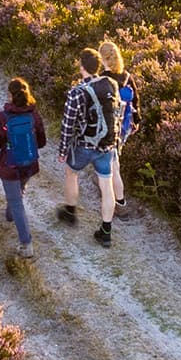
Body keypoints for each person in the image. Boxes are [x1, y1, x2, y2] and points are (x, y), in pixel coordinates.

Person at [57, 48, 120, 246]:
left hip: (84, 145)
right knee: (106, 185)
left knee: (71, 173)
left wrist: (62, 151)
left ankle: (70, 211)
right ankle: (106, 231)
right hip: (107, 146)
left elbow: (68, 125)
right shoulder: (112, 84)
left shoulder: (77, 92)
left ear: (81, 67)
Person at [0, 77, 49, 253]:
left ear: (10, 95)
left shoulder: (1, 118)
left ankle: (26, 243)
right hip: (28, 164)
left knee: (16, 202)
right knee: (17, 192)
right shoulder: (34, 116)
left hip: (10, 165)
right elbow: (42, 142)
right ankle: (9, 215)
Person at [99, 38, 139, 217]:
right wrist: (136, 121)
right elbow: (136, 100)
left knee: (113, 167)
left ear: (103, 58)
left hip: (107, 129)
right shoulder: (127, 76)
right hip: (123, 127)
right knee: (114, 162)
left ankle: (119, 203)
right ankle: (116, 199)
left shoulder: (102, 79)